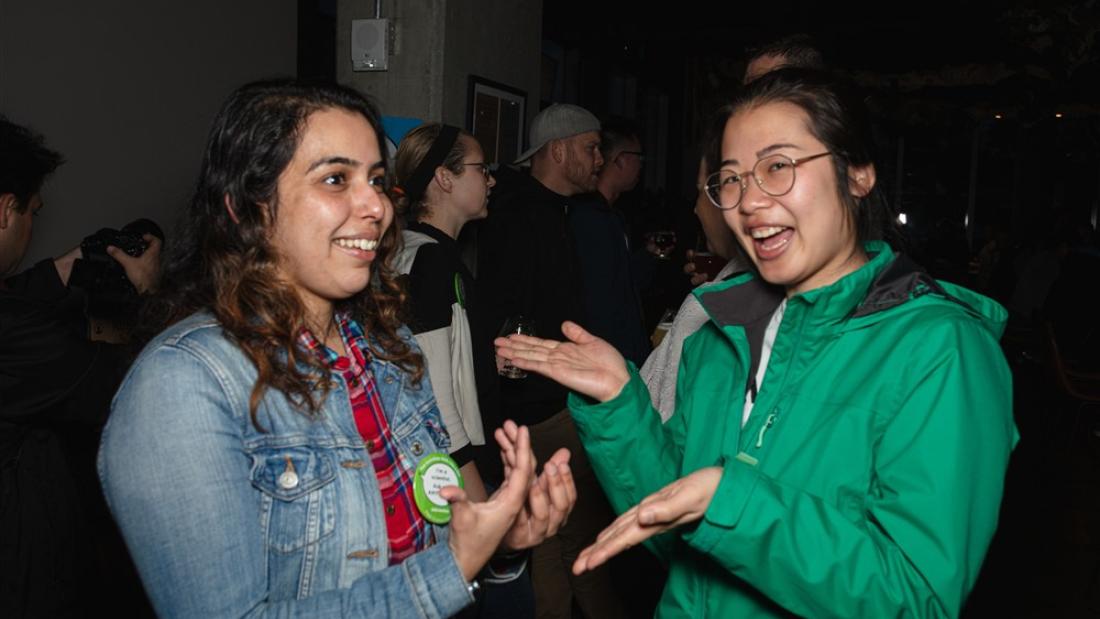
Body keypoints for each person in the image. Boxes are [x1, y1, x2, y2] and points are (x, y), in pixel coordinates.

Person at [497, 69, 1017, 618]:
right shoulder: (723, 333)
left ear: (858, 173)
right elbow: (674, 534)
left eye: (777, 166)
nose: (748, 203)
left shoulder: (941, 350)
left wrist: (734, 505)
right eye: (731, 179)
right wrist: (621, 403)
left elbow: (916, 599)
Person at [97, 80, 576, 618]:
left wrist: (500, 544)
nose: (376, 205)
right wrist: (452, 569)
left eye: (375, 179)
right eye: (335, 179)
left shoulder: (388, 351)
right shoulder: (184, 384)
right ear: (247, 209)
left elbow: (427, 544)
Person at [1, 115, 161, 617]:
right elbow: (138, 390)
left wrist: (70, 265)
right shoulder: (24, 342)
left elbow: (14, 303)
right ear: (6, 211)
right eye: (31, 212)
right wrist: (151, 294)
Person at [476, 103, 625, 618]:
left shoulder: (550, 210)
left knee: (566, 540)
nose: (600, 158)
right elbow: (501, 314)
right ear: (558, 150)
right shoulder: (520, 215)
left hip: (550, 399)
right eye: (590, 147)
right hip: (540, 406)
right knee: (573, 538)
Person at [568, 117, 651, 366]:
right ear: (621, 158)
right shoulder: (588, 219)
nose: (641, 165)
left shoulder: (613, 216)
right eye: (639, 157)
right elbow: (600, 300)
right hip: (606, 362)